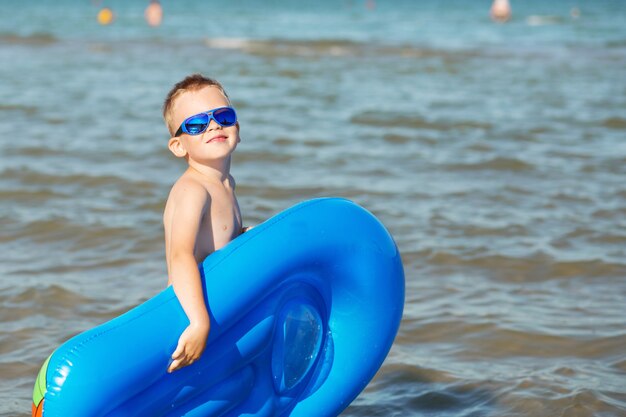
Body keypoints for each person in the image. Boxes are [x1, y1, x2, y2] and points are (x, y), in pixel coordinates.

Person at [161, 74, 245, 373]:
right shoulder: (192, 190)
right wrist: (198, 322)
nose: (213, 125)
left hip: (213, 309)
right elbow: (180, 255)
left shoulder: (225, 183)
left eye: (223, 116)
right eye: (196, 124)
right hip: (186, 313)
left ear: (238, 128)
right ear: (178, 146)